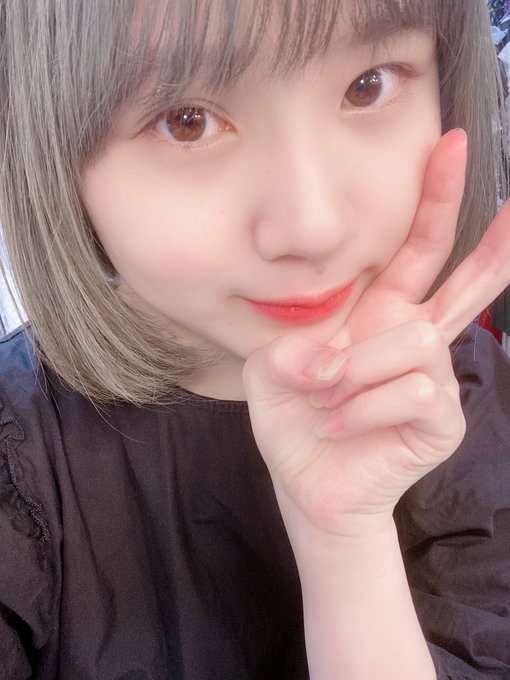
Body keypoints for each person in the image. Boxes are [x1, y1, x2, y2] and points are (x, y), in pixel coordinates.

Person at [0, 0, 510, 677]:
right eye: (187, 121)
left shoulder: (463, 392)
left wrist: (345, 549)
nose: (314, 227)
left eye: (368, 86)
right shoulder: (19, 460)